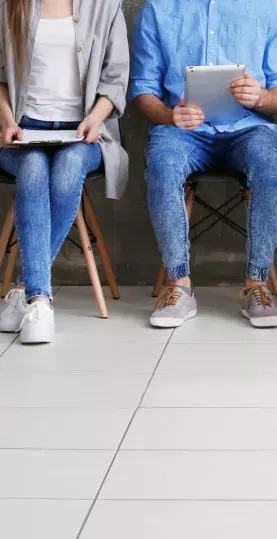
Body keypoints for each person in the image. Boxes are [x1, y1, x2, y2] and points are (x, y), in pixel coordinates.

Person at [130, 0, 277, 329]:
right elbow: (143, 90)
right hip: (183, 131)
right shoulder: (158, 9)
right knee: (162, 160)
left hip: (249, 128)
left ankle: (257, 285)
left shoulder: (268, 7)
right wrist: (169, 115)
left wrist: (261, 97)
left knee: (270, 161)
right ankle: (178, 286)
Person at [0, 0, 128, 344]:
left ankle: (29, 290)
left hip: (83, 134)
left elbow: (115, 81)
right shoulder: (8, 5)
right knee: (33, 165)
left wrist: (94, 120)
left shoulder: (106, 5)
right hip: (22, 134)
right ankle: (39, 298)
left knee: (69, 166)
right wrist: (8, 121)